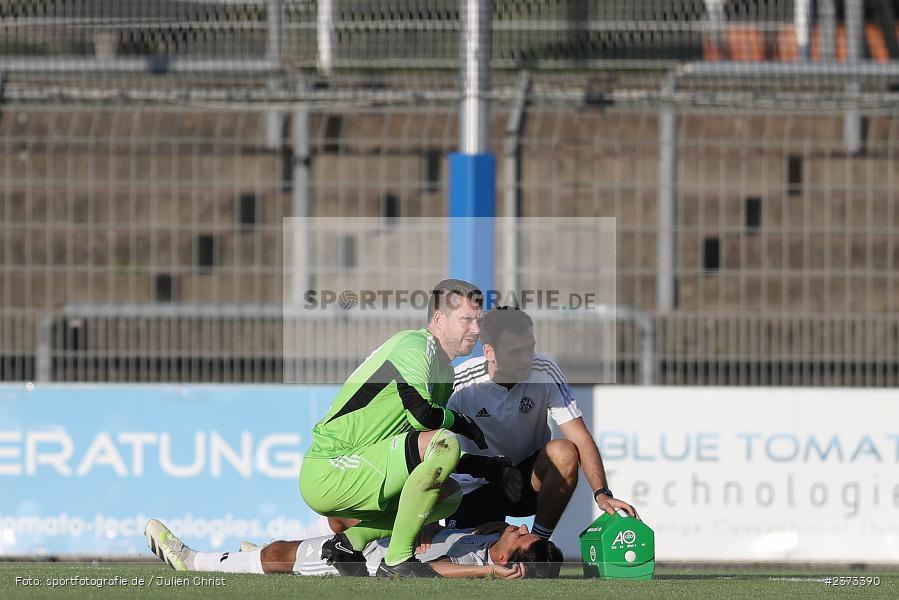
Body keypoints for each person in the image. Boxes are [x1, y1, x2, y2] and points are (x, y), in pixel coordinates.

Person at [298, 279, 491, 578]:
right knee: (445, 442)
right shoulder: (414, 345)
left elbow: (417, 450)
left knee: (450, 494)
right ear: (439, 320)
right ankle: (399, 559)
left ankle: (351, 543)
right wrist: (463, 422)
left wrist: (486, 466)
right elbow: (423, 417)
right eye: (467, 319)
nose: (476, 329)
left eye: (479, 320)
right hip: (331, 468)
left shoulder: (445, 371)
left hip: (364, 465)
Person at [447, 306, 639, 541]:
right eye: (515, 352)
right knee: (475, 562)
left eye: (530, 349)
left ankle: (537, 543)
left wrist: (602, 494)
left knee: (565, 451)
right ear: (489, 352)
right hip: (476, 486)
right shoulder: (461, 383)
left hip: (528, 483)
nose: (526, 359)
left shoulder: (545, 369)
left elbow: (580, 437)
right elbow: (432, 449)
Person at [144, 518, 563, 579]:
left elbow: (435, 570)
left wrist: (488, 573)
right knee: (288, 544)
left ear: (507, 559)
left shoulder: (477, 563)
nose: (522, 526)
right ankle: (248, 557)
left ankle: (192, 560)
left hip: (367, 562)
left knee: (280, 555)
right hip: (378, 539)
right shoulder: (492, 537)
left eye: (522, 536)